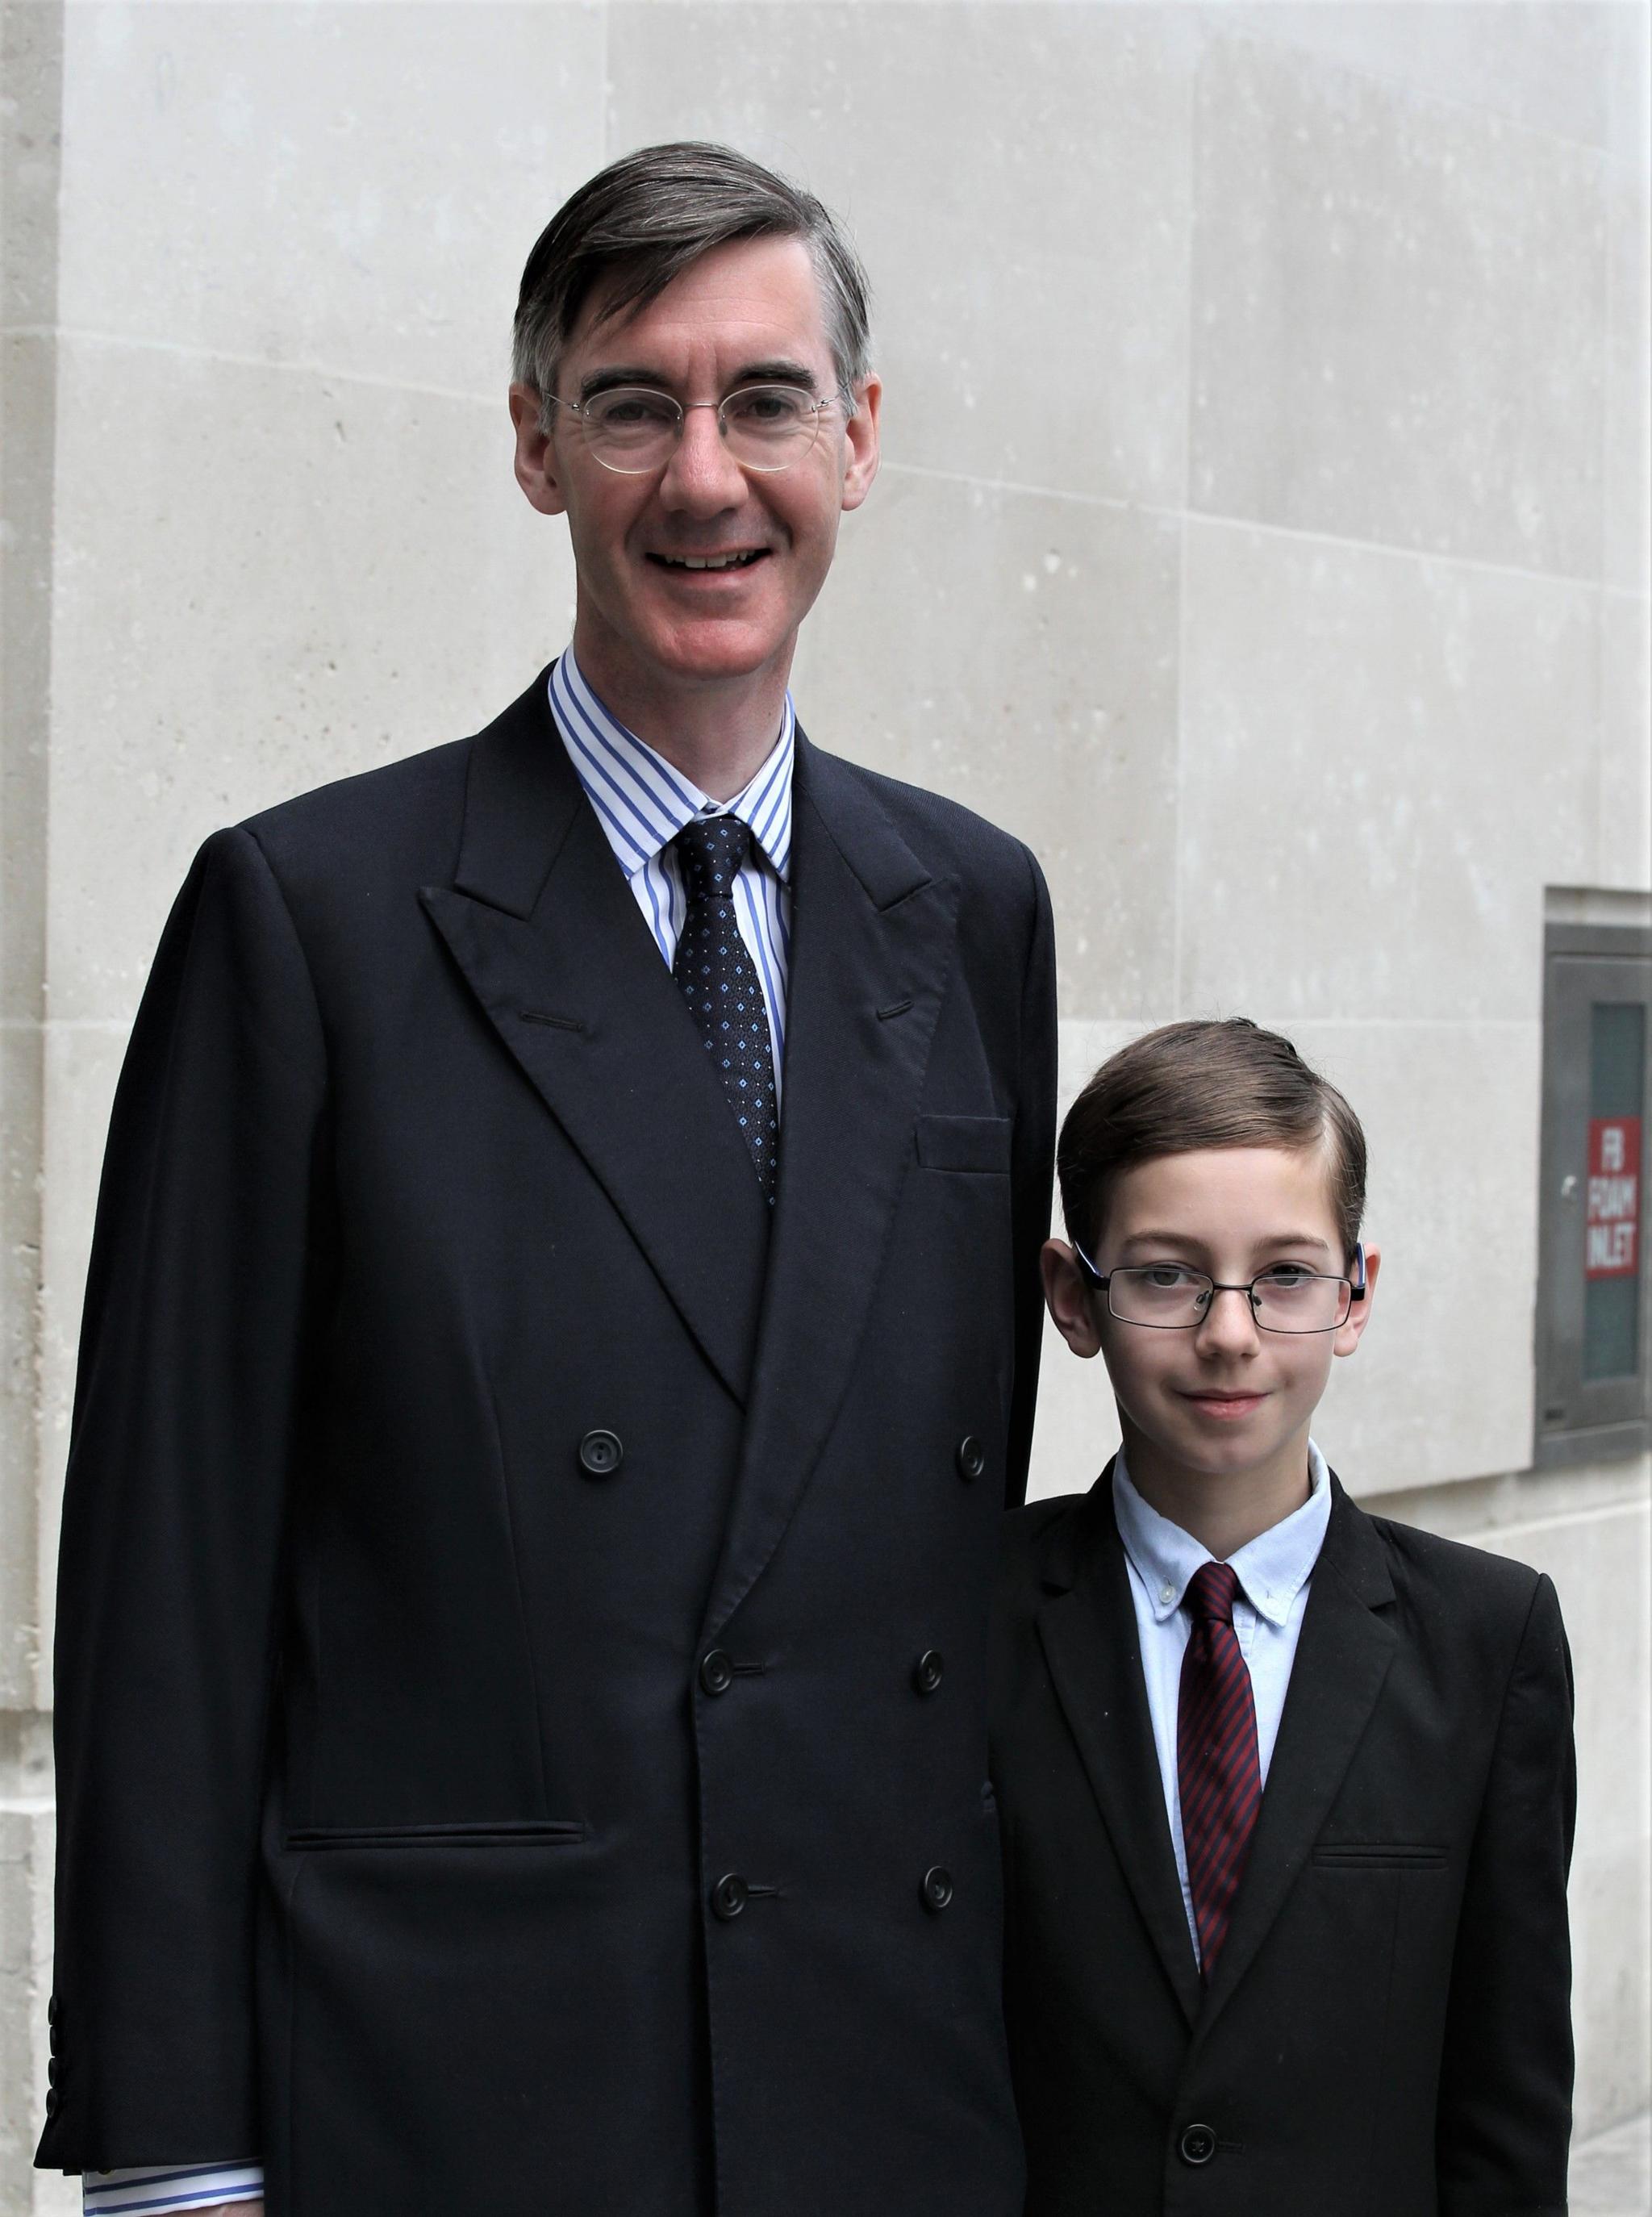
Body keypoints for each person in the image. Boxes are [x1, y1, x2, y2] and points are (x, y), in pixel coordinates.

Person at [40, 143, 1055, 2217]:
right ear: (532, 448)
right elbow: (168, 1589)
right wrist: (166, 2162)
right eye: (631, 405)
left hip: (889, 2086)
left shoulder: (972, 909)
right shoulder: (306, 919)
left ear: (857, 444)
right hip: (466, 2096)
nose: (706, 477)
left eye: (765, 399)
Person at [991, 1018, 1575, 2216]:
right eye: (1165, 1273)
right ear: (1072, 1296)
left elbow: (1504, 2106)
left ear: (1355, 1296)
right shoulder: (964, 1617)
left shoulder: (1487, 1637)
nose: (1230, 1333)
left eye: (1287, 1275)